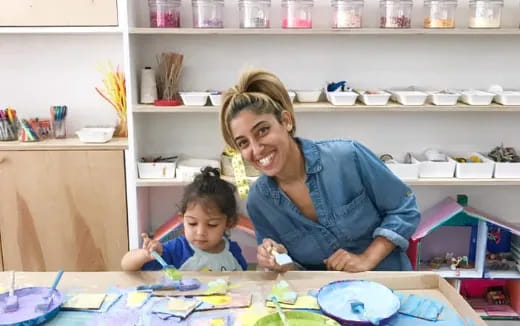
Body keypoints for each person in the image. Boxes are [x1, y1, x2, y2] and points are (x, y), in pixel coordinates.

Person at [219, 69, 420, 272]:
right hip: (321, 297)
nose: (256, 149)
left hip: (390, 284)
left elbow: (404, 209)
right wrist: (279, 261)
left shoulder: (347, 157)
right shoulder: (259, 201)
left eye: (262, 130)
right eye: (243, 143)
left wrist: (366, 259)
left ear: (286, 121)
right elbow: (292, 274)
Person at [121, 167, 247, 272]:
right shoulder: (177, 249)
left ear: (228, 223)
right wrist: (145, 255)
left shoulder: (232, 251)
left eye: (212, 225)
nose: (200, 232)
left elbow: (244, 282)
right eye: (192, 223)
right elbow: (126, 265)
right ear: (182, 219)